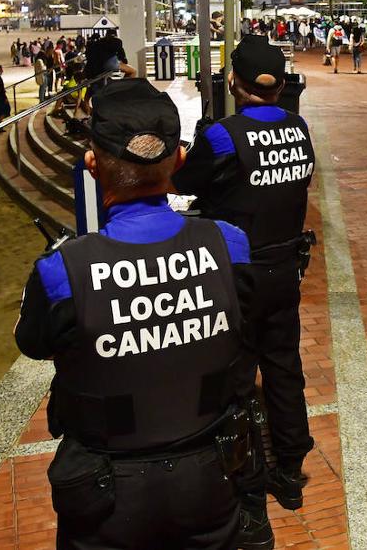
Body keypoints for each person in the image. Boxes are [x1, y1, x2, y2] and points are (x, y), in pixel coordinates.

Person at [15, 79, 254, 550]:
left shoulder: (61, 270)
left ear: (90, 165)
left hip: (105, 491)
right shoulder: (230, 244)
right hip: (209, 475)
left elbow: (33, 343)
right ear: (180, 162)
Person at [172, 38, 317, 549]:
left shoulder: (224, 135)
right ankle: (293, 471)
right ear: (279, 84)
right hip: (286, 270)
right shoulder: (298, 129)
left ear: (233, 82)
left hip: (236, 276)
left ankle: (249, 490)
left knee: (235, 381)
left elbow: (181, 180)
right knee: (283, 369)